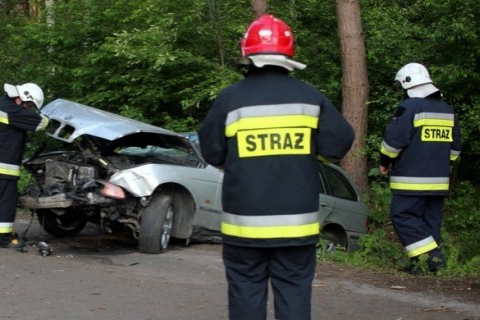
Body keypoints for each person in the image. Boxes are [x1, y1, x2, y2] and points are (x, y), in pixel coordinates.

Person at [198, 14, 355, 320]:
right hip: (297, 228)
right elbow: (338, 144)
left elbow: (212, 152)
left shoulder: (230, 100)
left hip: (243, 228)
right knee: (294, 296)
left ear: (248, 52)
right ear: (288, 53)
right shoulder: (311, 98)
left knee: (245, 295)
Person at [379, 63, 462, 273]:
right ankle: (423, 266)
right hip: (439, 180)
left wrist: (385, 162)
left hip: (411, 179)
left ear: (407, 84)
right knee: (429, 221)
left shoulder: (410, 107)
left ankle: (434, 259)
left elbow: (393, 142)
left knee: (402, 216)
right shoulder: (447, 110)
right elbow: (455, 150)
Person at [0, 83, 49, 248]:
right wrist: (49, 115)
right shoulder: (12, 111)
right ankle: (3, 239)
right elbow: (41, 123)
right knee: (6, 202)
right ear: (23, 96)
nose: (28, 108)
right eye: (29, 104)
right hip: (3, 165)